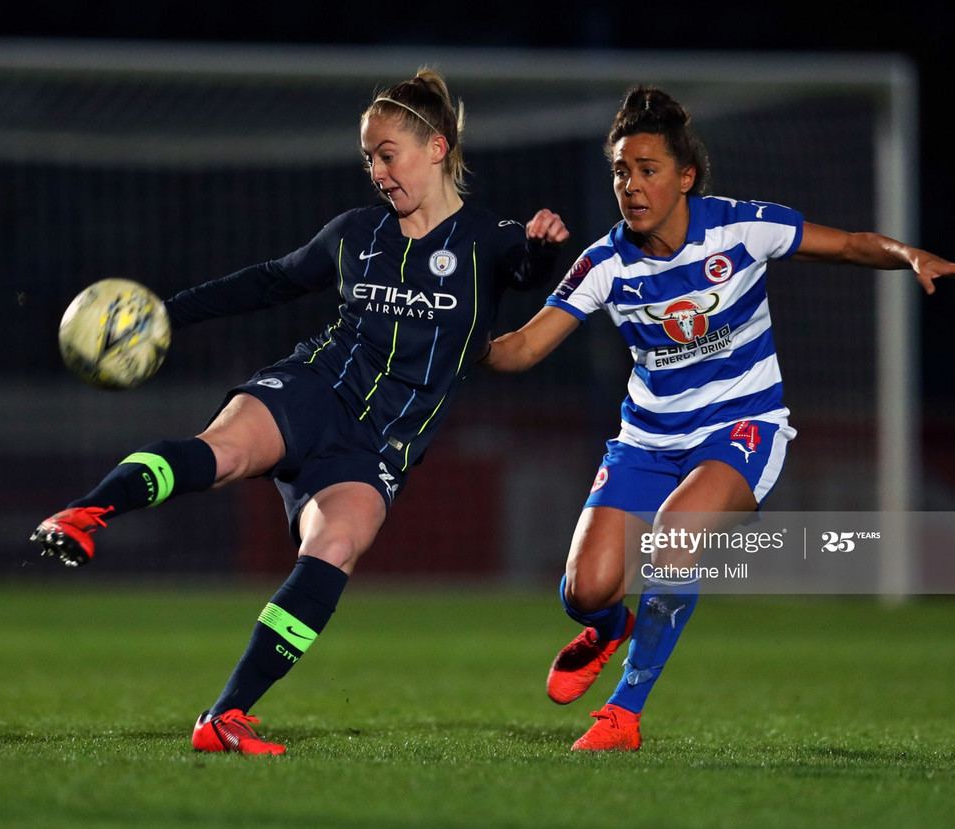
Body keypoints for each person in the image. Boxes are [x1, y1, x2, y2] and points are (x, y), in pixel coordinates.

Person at [30, 68, 569, 755]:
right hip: (312, 390)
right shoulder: (355, 234)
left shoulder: (489, 239)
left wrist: (545, 247)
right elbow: (269, 281)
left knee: (335, 546)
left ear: (436, 147)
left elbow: (525, 269)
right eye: (368, 157)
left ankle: (223, 717)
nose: (376, 171)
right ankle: (83, 513)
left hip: (377, 447)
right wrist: (166, 314)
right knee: (221, 452)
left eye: (387, 153)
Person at [484, 86, 955, 751]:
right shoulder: (604, 263)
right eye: (620, 171)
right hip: (647, 438)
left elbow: (846, 245)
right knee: (585, 589)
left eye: (647, 169)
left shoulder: (741, 226)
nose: (630, 185)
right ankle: (609, 627)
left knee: (676, 533)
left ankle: (623, 713)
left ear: (685, 176)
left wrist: (909, 256)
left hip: (742, 424)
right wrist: (457, 334)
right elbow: (522, 347)